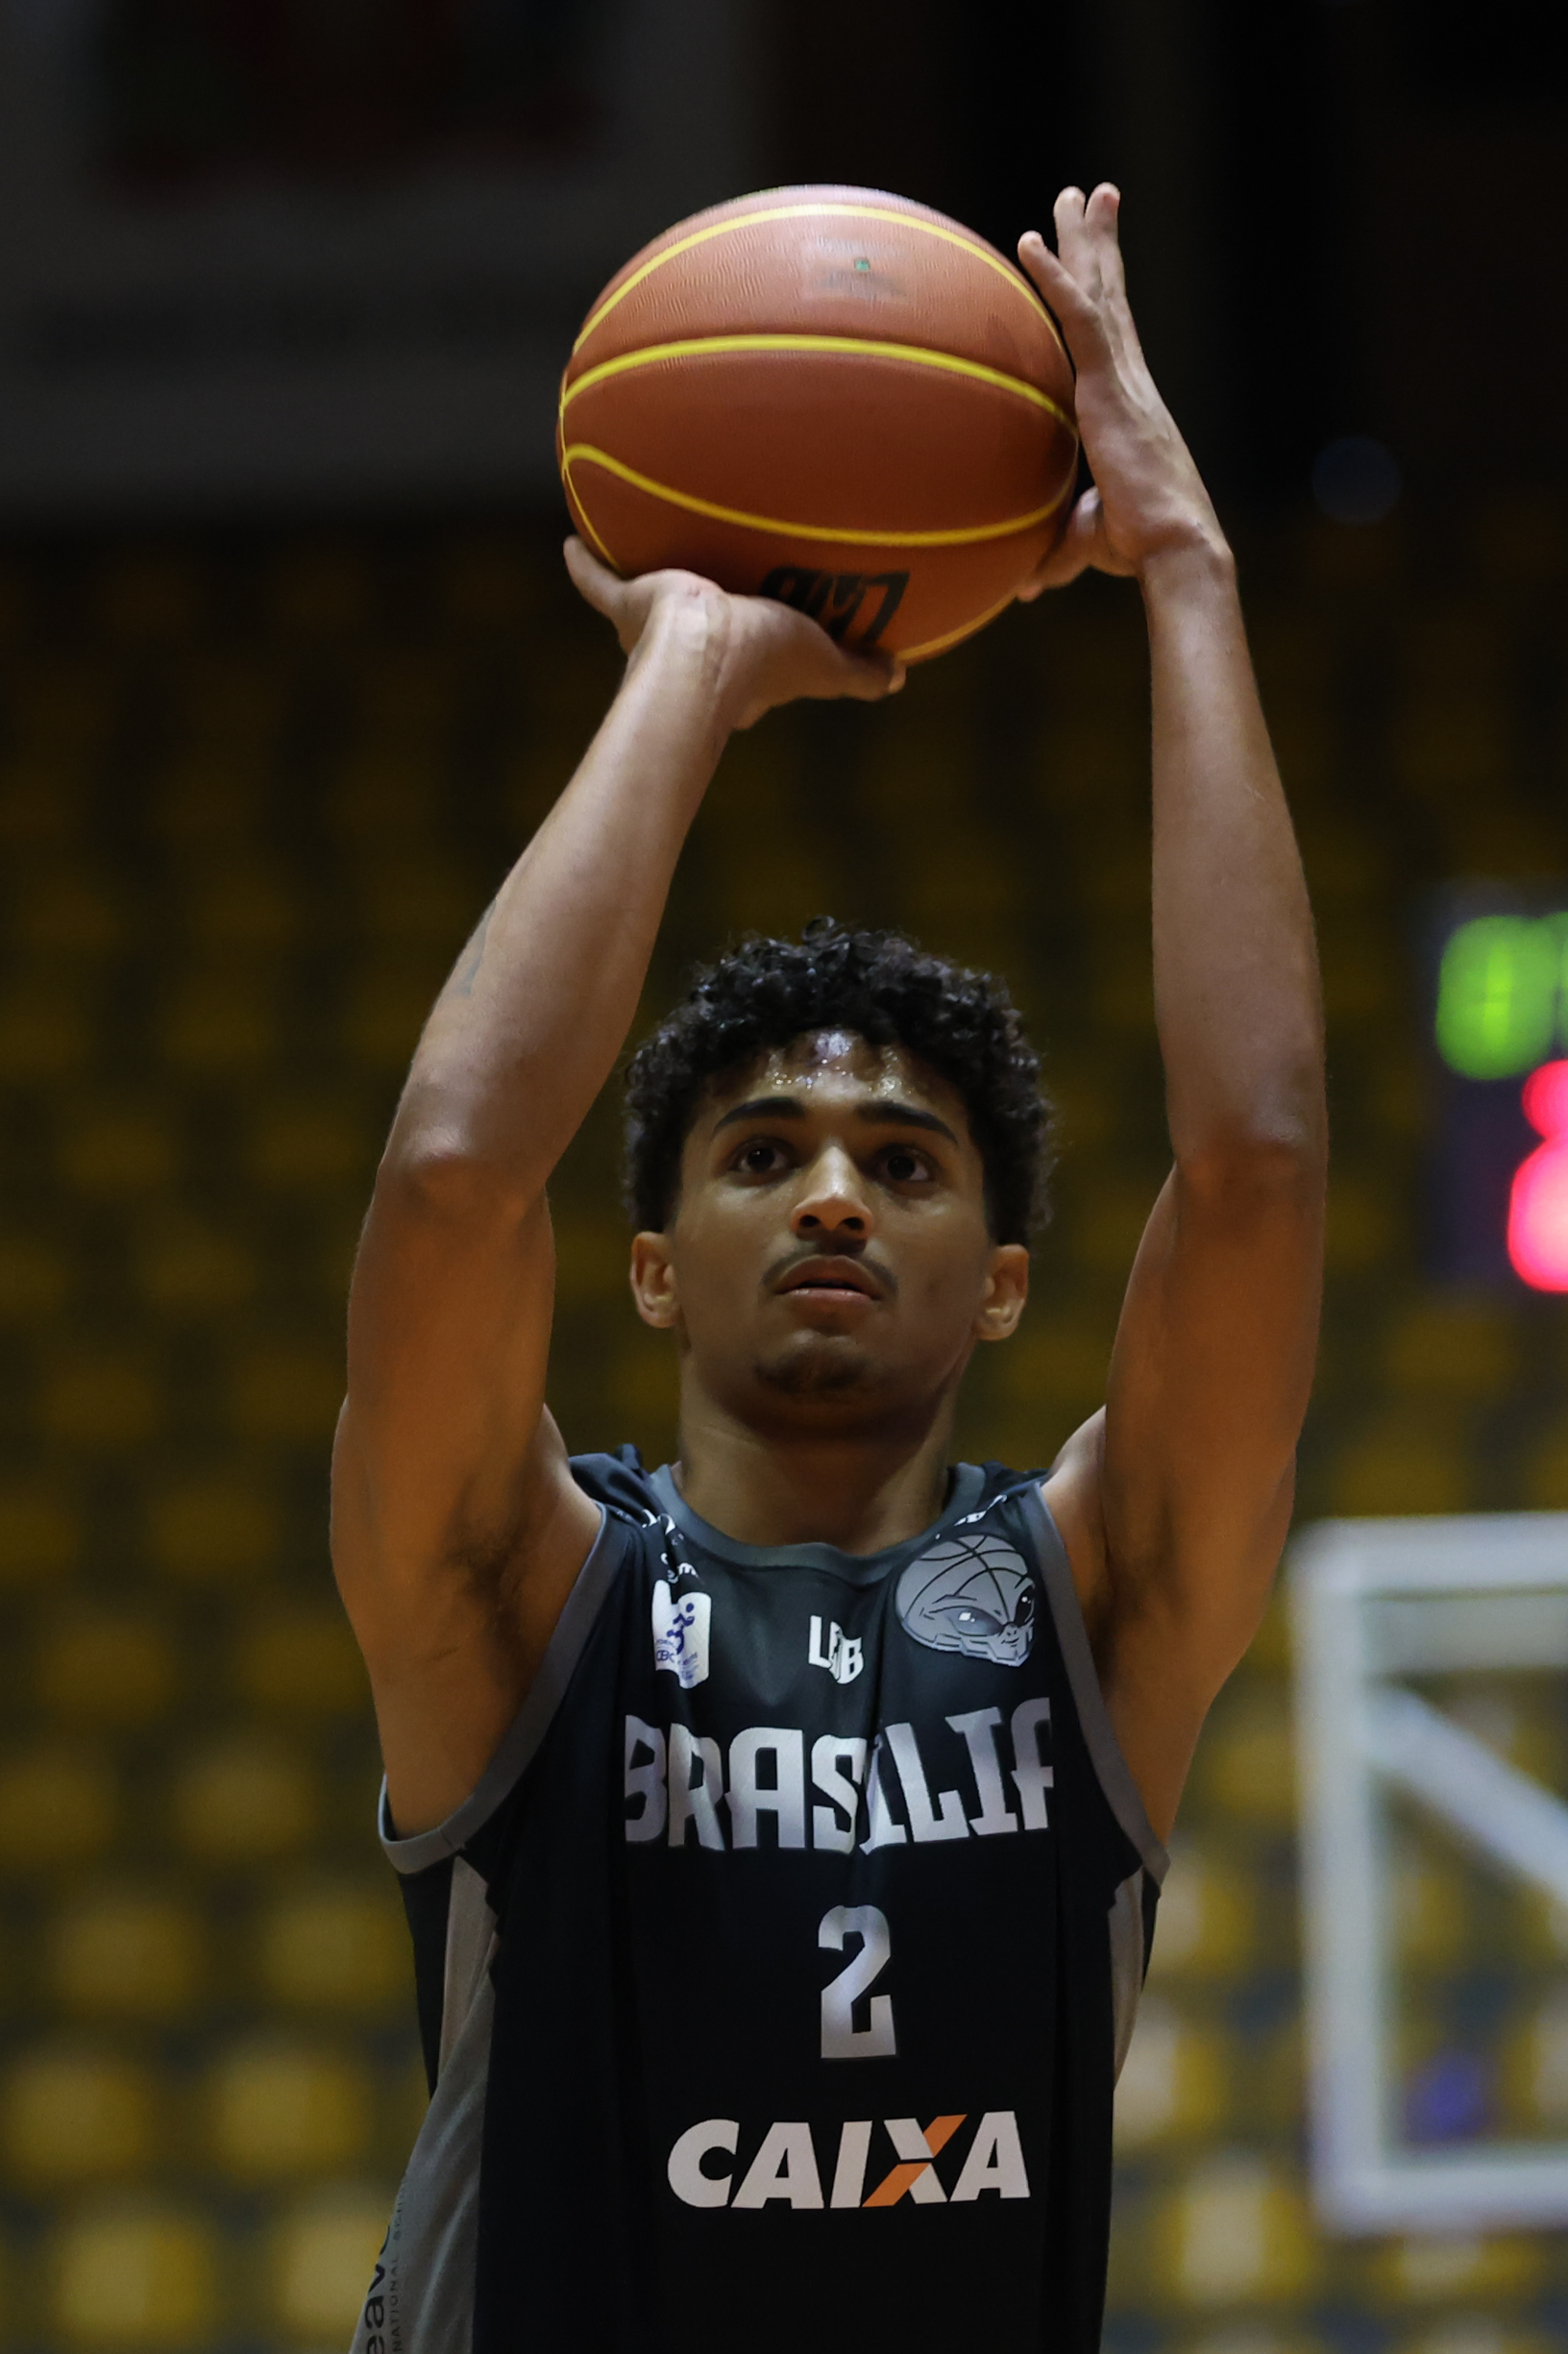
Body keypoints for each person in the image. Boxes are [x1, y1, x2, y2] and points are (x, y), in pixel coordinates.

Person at [337, 184, 1325, 2354]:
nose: (836, 1197)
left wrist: (1188, 566)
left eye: (905, 1159)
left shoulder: (1099, 1597)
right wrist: (689, 671)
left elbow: (1256, 1168)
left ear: (1003, 1280)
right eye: (763, 1154)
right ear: (653, 1268)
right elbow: (451, 1175)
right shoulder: (528, 1598)